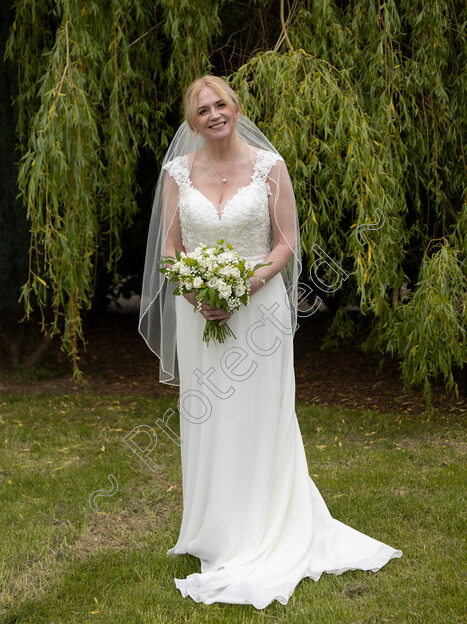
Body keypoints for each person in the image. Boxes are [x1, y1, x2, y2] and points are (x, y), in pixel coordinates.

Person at [139, 75, 402, 609]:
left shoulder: (268, 166)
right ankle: (213, 529)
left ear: (235, 108)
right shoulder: (176, 173)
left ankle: (264, 528)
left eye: (221, 104)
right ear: (191, 123)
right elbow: (170, 244)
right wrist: (196, 291)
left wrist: (243, 286)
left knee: (260, 415)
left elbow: (286, 243)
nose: (213, 114)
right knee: (208, 416)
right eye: (202, 110)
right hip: (197, 311)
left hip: (258, 311)